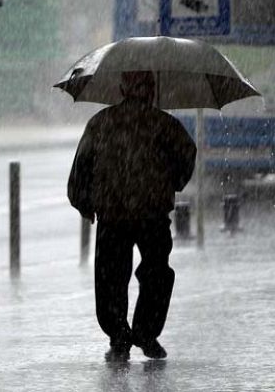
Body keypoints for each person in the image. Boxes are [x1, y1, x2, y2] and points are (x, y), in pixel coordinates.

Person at [67, 70, 196, 361]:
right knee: (156, 274)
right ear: (151, 89)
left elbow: (80, 169)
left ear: (122, 87)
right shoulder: (165, 125)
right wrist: (171, 183)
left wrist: (85, 204)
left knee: (111, 277)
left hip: (113, 214)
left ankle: (119, 335)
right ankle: (146, 333)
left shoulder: (101, 123)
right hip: (152, 213)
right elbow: (187, 156)